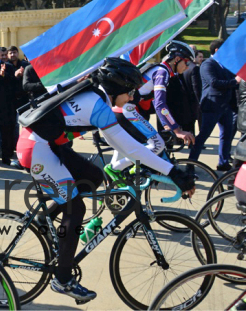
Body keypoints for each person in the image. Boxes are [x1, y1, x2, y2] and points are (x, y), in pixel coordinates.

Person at [16, 57, 195, 302]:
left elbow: (127, 146)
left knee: (93, 176)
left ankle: (45, 216)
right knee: (75, 208)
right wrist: (172, 171)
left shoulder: (97, 98)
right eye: (130, 92)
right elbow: (130, 149)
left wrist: (167, 165)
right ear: (118, 88)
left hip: (46, 144)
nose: (133, 97)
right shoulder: (96, 104)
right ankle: (63, 279)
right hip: (36, 148)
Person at [189, 39, 240, 171]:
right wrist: (235, 81)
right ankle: (191, 164)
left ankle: (223, 162)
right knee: (203, 136)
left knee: (227, 135)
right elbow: (214, 83)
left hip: (226, 106)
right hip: (212, 106)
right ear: (217, 51)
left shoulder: (225, 64)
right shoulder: (208, 64)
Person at [135, 41, 196, 145]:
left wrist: (166, 124)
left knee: (140, 148)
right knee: (155, 144)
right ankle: (137, 161)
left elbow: (155, 100)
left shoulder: (163, 70)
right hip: (128, 109)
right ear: (177, 59)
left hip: (131, 108)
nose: (187, 67)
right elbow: (160, 104)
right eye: (186, 63)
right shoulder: (162, 72)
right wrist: (177, 130)